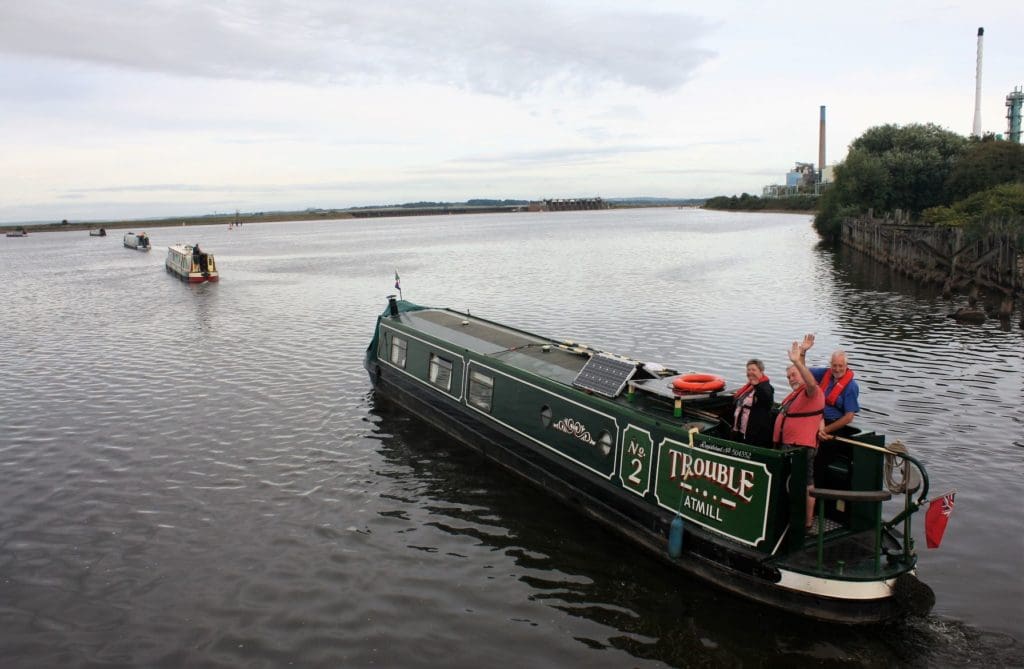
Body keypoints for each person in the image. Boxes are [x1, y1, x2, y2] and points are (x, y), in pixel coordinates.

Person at [773, 339, 825, 530]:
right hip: (789, 446)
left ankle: (807, 522)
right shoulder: (797, 394)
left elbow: (810, 381)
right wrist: (801, 356)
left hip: (801, 448)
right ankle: (791, 516)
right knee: (793, 483)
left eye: (794, 375)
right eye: (788, 377)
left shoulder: (812, 391)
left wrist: (798, 361)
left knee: (806, 484)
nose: (791, 379)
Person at [798, 334, 860, 442]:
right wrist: (803, 352)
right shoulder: (824, 373)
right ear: (830, 365)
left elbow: (849, 417)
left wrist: (825, 430)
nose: (837, 369)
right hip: (816, 420)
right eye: (834, 365)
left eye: (840, 366)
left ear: (846, 365)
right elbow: (802, 371)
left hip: (833, 427)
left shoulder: (851, 386)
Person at [730, 359, 774, 447]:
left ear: (761, 371)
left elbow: (767, 398)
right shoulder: (749, 386)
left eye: (753, 370)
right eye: (748, 369)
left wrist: (757, 386)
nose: (750, 372)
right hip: (739, 428)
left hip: (753, 432)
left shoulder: (765, 388)